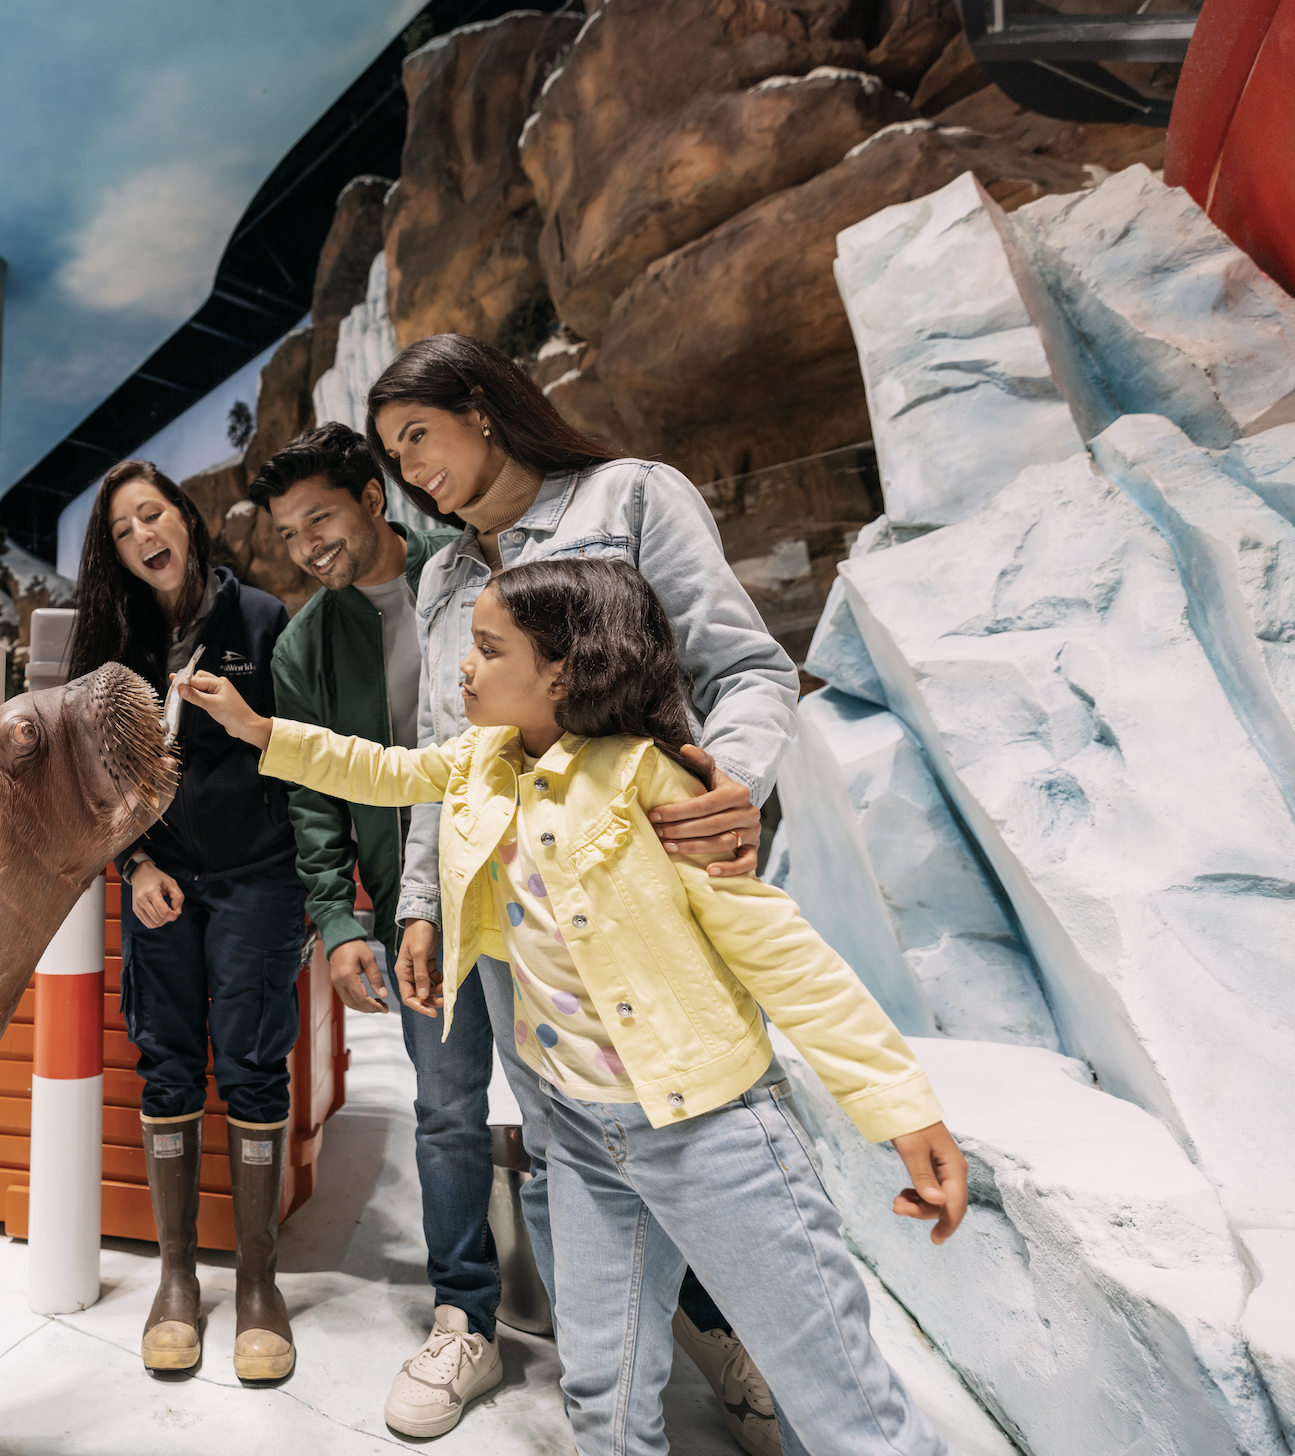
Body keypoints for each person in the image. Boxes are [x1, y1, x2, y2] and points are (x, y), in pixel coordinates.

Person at [174, 555, 971, 1456]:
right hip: (582, 1136)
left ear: (562, 673)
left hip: (712, 1132)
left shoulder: (649, 780)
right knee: (601, 1390)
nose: (463, 667)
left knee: (835, 1399)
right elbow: (380, 769)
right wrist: (257, 729)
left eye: (487, 649)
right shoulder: (480, 762)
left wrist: (900, 1107)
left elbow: (779, 951)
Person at [370, 332, 796, 1454]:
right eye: (392, 454)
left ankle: (738, 1340)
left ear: (482, 406)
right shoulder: (441, 575)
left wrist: (729, 784)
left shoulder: (631, 497)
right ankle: (610, 1416)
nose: (408, 468)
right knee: (565, 1156)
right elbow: (449, 760)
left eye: (417, 434)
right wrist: (421, 903)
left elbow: (746, 669)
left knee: (703, 1136)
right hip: (516, 920)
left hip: (648, 901)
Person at [250, 422, 503, 1437]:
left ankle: (693, 1312)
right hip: (413, 914)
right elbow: (314, 796)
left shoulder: (472, 573)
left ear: (370, 496)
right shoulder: (303, 644)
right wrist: (337, 915)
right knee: (445, 1112)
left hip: (530, 890)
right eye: (286, 532)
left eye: (319, 517)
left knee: (600, 1105)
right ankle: (464, 1313)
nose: (306, 546)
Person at [66, 459, 305, 1383]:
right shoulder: (113, 645)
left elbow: (303, 753)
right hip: (159, 882)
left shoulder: (261, 622)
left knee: (251, 1066)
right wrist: (133, 863)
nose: (142, 537)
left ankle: (257, 1284)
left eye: (151, 514)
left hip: (256, 877)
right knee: (165, 1061)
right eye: (122, 531)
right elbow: (94, 776)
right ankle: (175, 1279)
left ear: (185, 518)